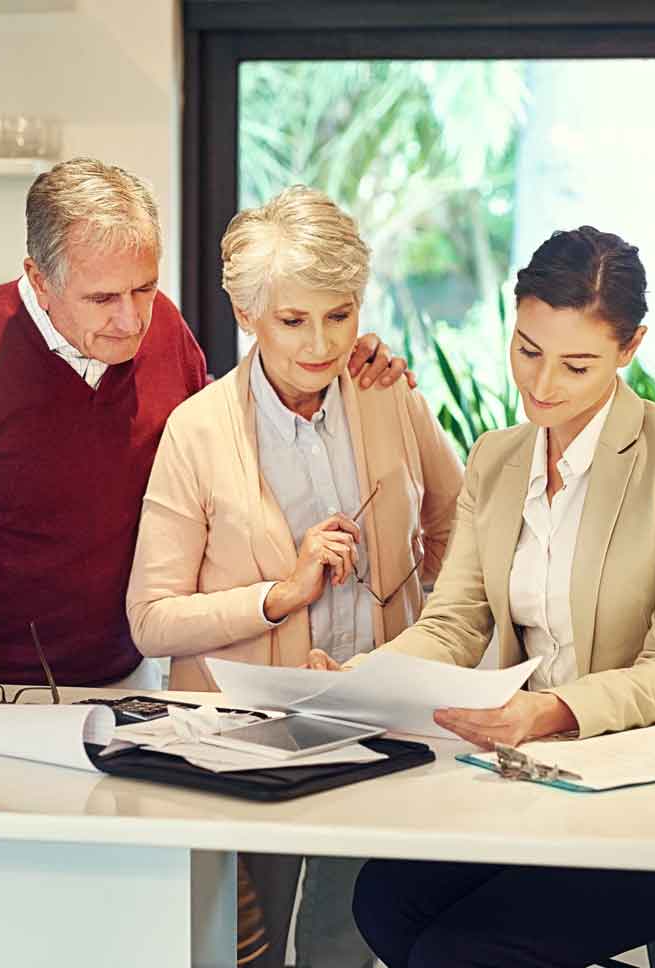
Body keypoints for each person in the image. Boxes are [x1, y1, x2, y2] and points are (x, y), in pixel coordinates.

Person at [307, 226, 655, 968]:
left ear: (629, 348)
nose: (542, 385)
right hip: (546, 779)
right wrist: (365, 678)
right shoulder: (498, 457)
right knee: (383, 903)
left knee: (464, 950)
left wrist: (550, 711)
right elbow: (453, 623)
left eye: (577, 364)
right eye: (527, 350)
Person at [0, 158, 409, 711]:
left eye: (144, 288)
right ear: (39, 280)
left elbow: (219, 438)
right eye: (103, 298)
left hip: (131, 678)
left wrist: (344, 362)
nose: (133, 320)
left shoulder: (166, 333)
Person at [125, 186, 464, 968]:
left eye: (340, 315)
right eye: (293, 319)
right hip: (242, 747)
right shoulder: (197, 431)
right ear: (247, 314)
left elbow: (458, 530)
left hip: (382, 729)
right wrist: (280, 595)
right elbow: (151, 617)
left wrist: (438, 642)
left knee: (356, 941)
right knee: (248, 949)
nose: (322, 344)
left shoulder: (388, 395)